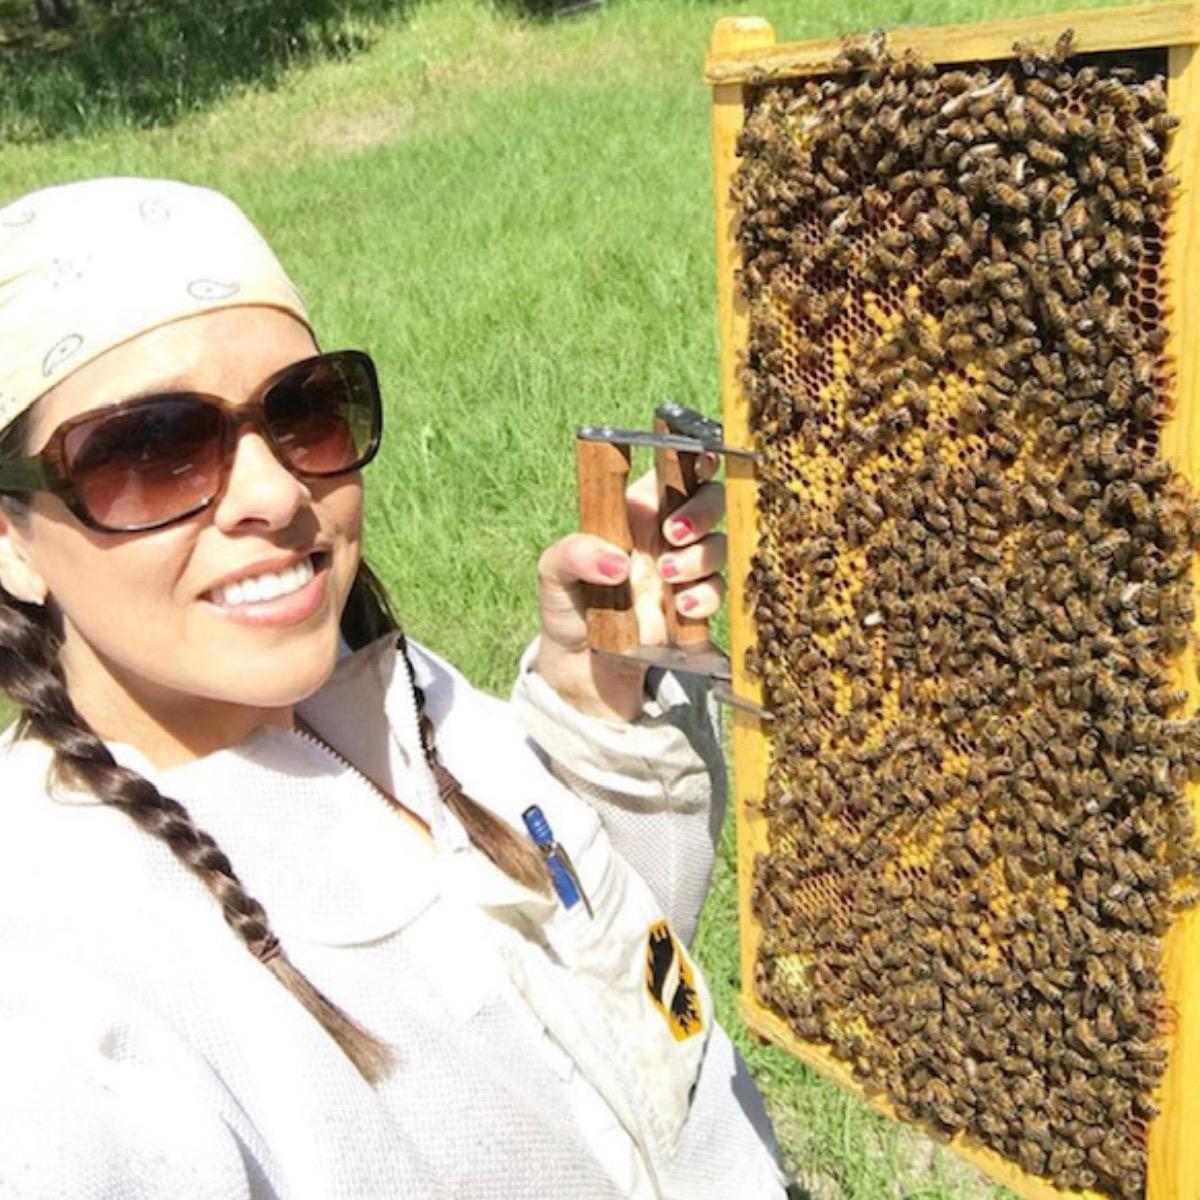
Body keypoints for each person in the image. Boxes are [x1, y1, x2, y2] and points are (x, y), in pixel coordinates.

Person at [0, 178, 785, 1199]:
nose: (277, 493)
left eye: (305, 411)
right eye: (153, 451)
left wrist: (595, 700)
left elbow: (608, 979)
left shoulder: (386, 696)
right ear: (13, 541)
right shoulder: (59, 1007)